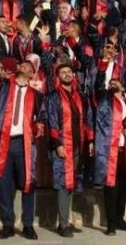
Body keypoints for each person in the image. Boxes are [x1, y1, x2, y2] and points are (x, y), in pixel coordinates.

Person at [0, 57, 42, 240]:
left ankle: (28, 225)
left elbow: (42, 117)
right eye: (22, 63)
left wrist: (39, 126)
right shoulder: (4, 87)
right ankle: (7, 224)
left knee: (27, 184)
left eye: (28, 66)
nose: (23, 65)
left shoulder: (36, 95)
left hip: (24, 143)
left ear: (32, 73)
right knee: (4, 185)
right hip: (4, 143)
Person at [44, 63, 91, 237]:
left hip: (78, 145)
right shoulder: (53, 97)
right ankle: (63, 224)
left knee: (71, 183)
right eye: (63, 72)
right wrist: (58, 144)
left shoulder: (81, 96)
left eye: (69, 71)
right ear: (57, 76)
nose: (67, 74)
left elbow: (88, 120)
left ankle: (65, 219)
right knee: (63, 182)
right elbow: (52, 122)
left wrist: (91, 141)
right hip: (63, 145)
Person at [93, 78, 126, 236]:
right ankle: (111, 223)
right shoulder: (106, 100)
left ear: (123, 86)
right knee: (110, 187)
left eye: (116, 82)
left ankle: (120, 218)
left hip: (124, 150)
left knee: (124, 187)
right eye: (110, 82)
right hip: (109, 149)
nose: (112, 83)